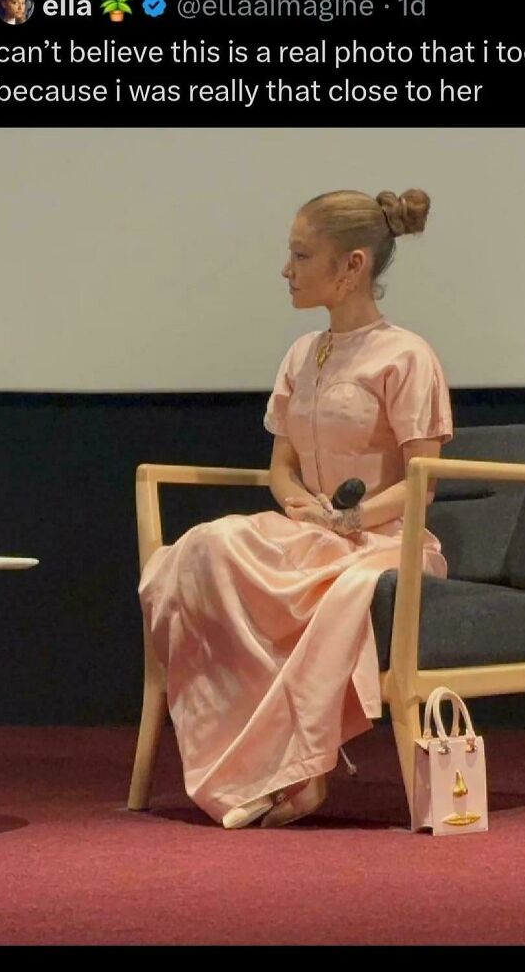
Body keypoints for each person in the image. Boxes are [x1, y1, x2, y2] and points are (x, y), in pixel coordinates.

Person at [139, 188, 453, 828]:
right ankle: (250, 763)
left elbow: (428, 478)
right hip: (312, 534)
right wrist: (301, 505)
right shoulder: (300, 355)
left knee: (345, 594)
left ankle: (299, 769)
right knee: (206, 547)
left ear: (352, 265)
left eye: (301, 254)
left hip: (387, 541)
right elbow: (282, 468)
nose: (287, 269)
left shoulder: (407, 355)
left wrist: (352, 520)